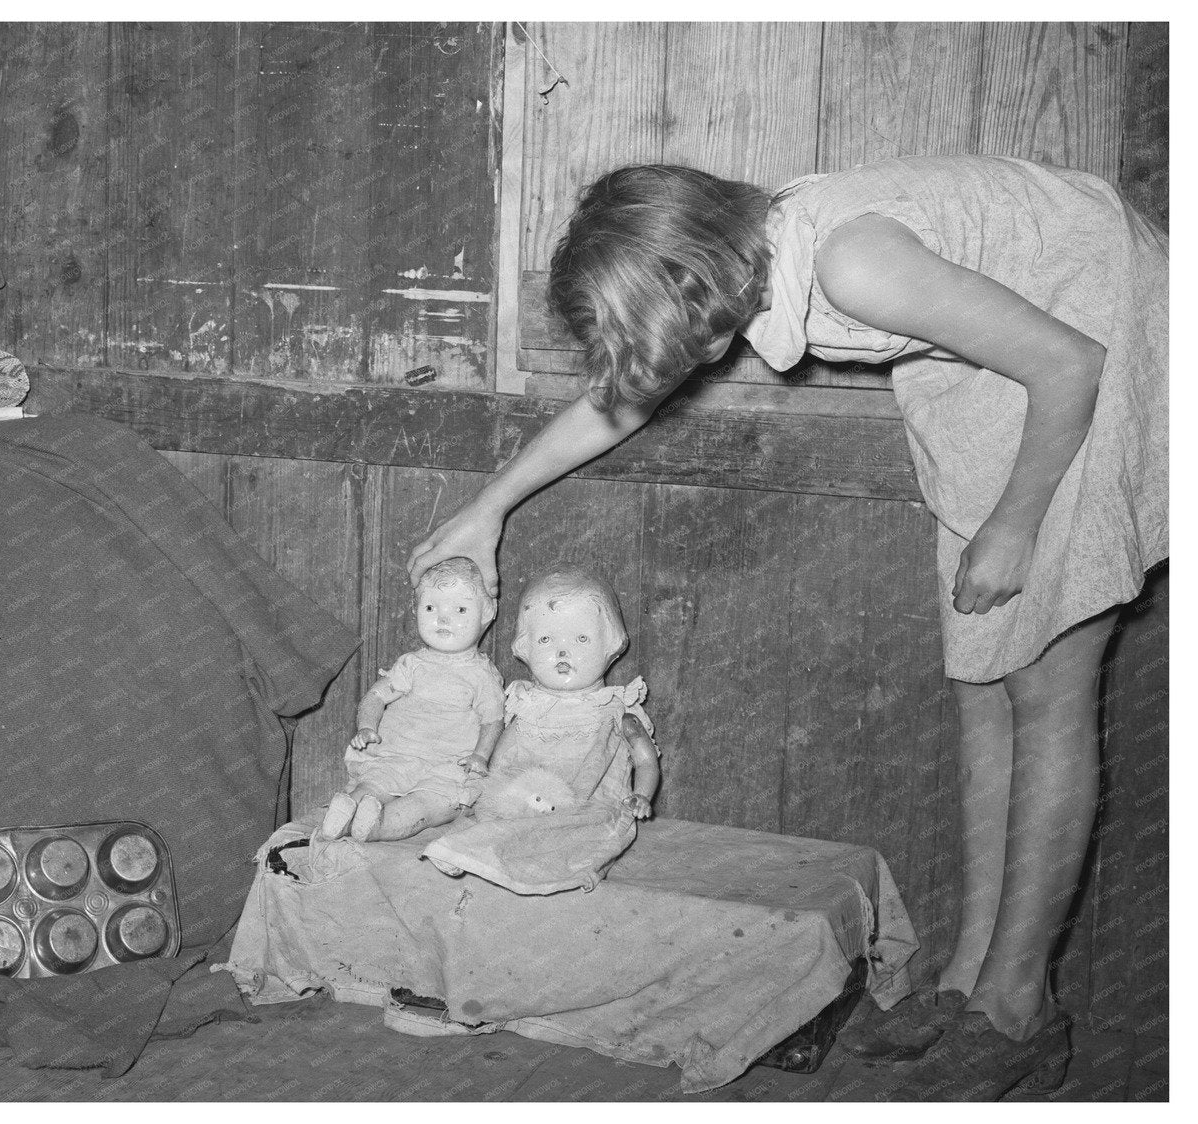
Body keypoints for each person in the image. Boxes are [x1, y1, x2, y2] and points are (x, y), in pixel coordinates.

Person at [408, 155, 1168, 1099]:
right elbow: (621, 402)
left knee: (1048, 687)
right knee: (985, 684)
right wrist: (490, 509)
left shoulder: (854, 263)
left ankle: (1020, 1008)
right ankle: (970, 980)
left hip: (1095, 328)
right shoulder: (749, 252)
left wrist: (1016, 527)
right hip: (1003, 362)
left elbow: (1072, 361)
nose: (673, 371)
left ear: (699, 285)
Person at [317, 556, 502, 843]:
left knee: (429, 804)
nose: (442, 618)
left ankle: (379, 825)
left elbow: (492, 721)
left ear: (487, 612)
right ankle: (344, 813)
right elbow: (377, 695)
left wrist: (480, 756)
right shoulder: (412, 664)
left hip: (448, 765)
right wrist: (367, 726)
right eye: (430, 607)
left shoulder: (482, 676)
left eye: (461, 609)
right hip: (398, 755)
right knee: (374, 785)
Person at [487, 565, 660, 819]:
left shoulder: (616, 713)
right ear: (525, 646)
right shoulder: (528, 710)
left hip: (596, 817)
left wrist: (642, 795)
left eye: (581, 639)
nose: (562, 652)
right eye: (546, 639)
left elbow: (645, 761)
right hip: (526, 814)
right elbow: (499, 765)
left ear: (611, 642)